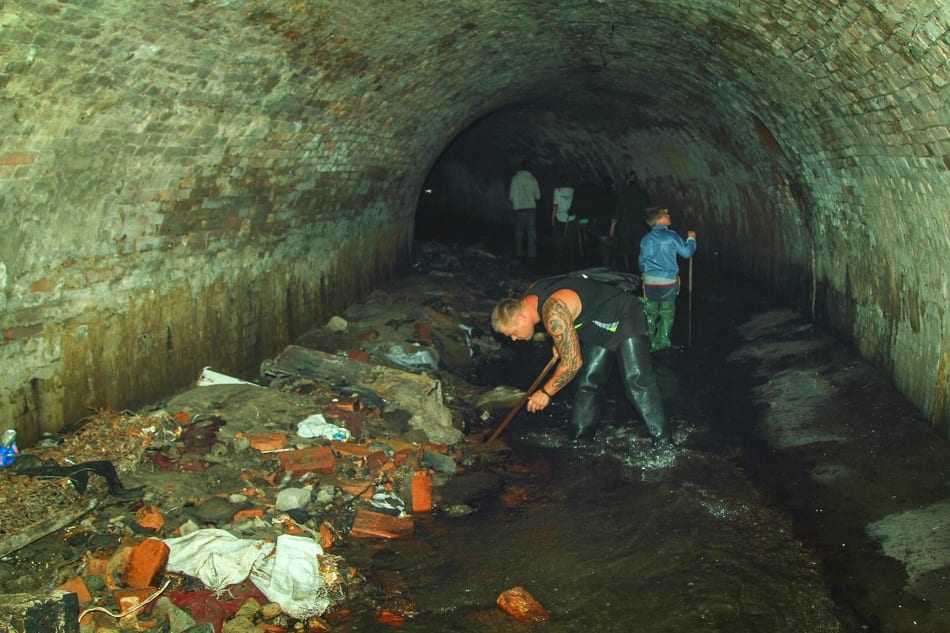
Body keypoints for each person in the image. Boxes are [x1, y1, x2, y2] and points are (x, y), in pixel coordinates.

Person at [491, 272, 672, 447]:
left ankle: (665, 444)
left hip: (624, 315)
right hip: (597, 324)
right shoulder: (529, 298)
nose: (514, 339)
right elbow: (566, 316)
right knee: (587, 383)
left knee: (637, 382)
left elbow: (572, 363)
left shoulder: (553, 311)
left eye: (513, 333)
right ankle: (580, 442)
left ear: (521, 317)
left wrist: (545, 392)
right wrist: (560, 341)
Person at [638, 206, 697, 351]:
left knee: (650, 312)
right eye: (666, 215)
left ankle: (649, 343)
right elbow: (686, 253)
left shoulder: (646, 239)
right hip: (667, 282)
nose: (669, 216)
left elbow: (641, 261)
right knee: (667, 313)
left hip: (650, 281)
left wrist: (646, 273)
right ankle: (663, 342)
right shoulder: (671, 236)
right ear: (659, 220)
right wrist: (691, 239)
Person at [614, 171, 651, 270]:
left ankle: (627, 268)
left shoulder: (622, 195)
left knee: (625, 248)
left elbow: (617, 212)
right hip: (639, 225)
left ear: (627, 181)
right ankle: (639, 268)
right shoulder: (643, 194)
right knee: (639, 248)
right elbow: (647, 211)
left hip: (625, 226)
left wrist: (612, 227)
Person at [508, 161, 541, 265]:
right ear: (529, 168)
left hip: (519, 210)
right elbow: (538, 196)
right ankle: (532, 255)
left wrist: (516, 203)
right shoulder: (532, 179)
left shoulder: (515, 178)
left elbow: (511, 196)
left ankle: (519, 254)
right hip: (530, 209)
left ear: (521, 167)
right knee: (531, 233)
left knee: (519, 233)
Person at [550, 175, 577, 271]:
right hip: (571, 218)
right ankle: (571, 265)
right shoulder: (573, 191)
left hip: (560, 218)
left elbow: (555, 205)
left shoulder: (557, 191)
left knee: (559, 242)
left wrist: (552, 218)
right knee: (571, 243)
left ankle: (558, 265)